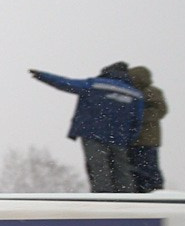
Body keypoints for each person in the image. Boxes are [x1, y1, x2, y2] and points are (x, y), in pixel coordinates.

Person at [29, 62, 146, 193]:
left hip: (93, 133)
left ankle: (102, 196)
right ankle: (127, 197)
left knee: (98, 166)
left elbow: (66, 83)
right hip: (119, 137)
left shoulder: (95, 85)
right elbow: (138, 120)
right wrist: (130, 138)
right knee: (121, 168)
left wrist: (42, 76)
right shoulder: (136, 95)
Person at [128, 65, 169, 191]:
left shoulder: (152, 92)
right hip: (140, 139)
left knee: (147, 167)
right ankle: (145, 190)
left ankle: (154, 191)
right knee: (140, 168)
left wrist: (137, 117)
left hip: (146, 139)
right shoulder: (132, 91)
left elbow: (160, 111)